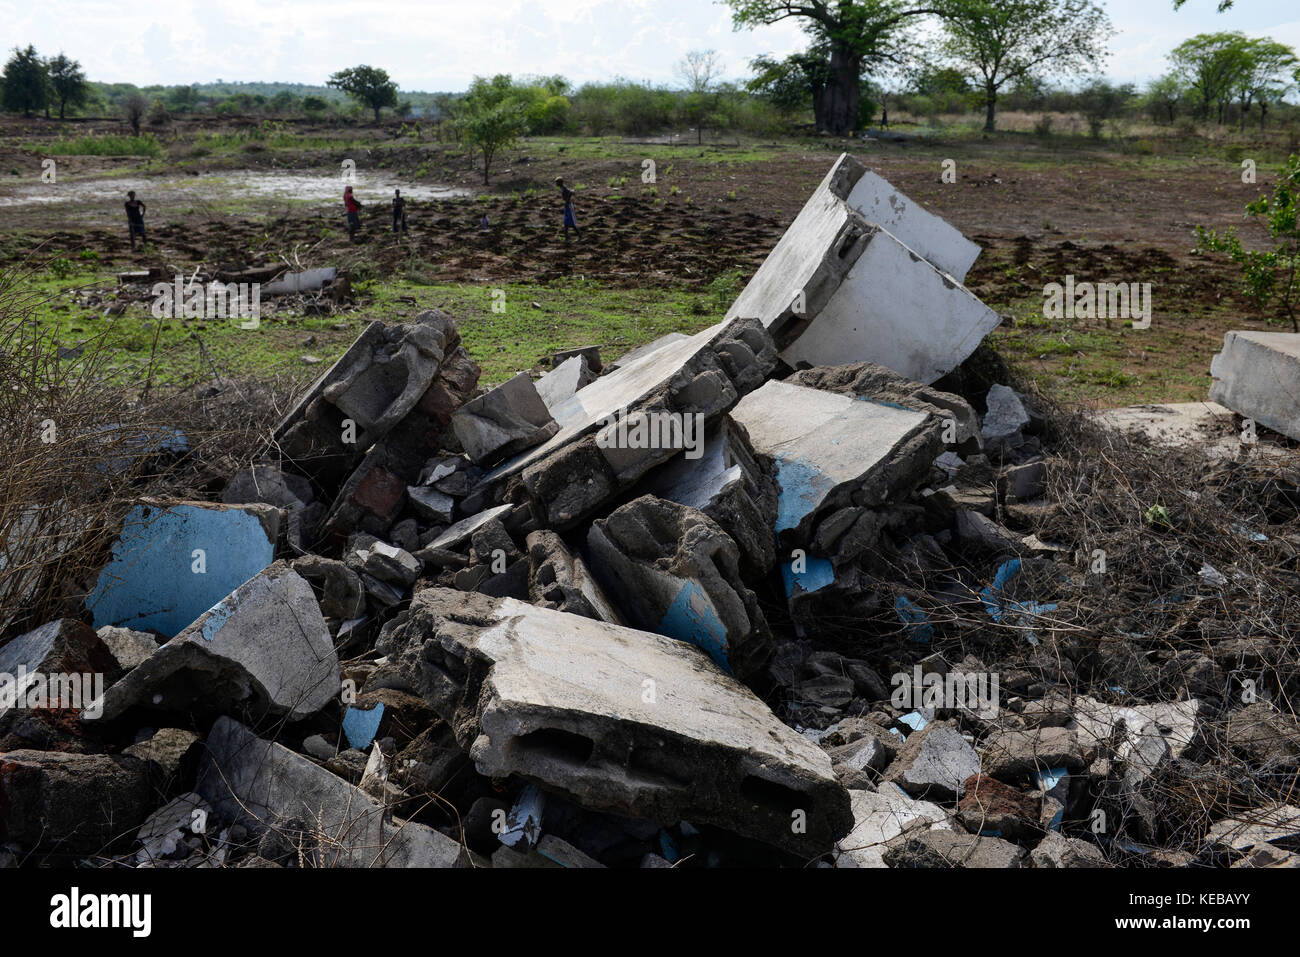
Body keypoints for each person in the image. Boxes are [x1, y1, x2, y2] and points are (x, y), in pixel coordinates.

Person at [555, 177, 580, 241]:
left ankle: (579, 235)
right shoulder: (562, 188)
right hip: (567, 206)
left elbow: (570, 193)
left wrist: (566, 202)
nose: (556, 184)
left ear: (560, 182)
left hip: (569, 205)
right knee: (566, 222)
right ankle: (566, 238)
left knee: (571, 223)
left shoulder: (564, 188)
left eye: (557, 182)